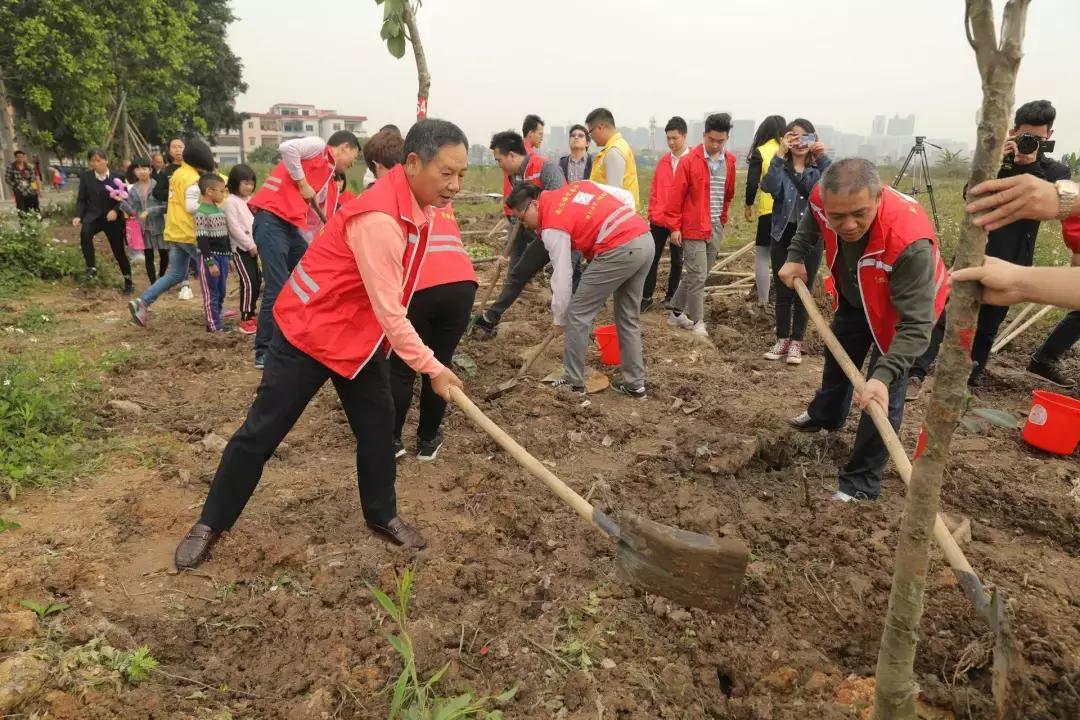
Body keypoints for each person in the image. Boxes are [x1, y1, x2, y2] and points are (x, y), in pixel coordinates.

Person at [172, 119, 470, 569]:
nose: (455, 186)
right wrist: (433, 368)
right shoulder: (380, 219)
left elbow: (387, 302)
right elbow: (392, 313)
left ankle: (382, 514)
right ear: (412, 163)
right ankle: (210, 522)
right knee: (262, 431)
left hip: (356, 339)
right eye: (446, 173)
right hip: (310, 332)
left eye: (462, 174)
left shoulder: (414, 202)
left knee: (377, 427)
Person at [779, 158, 949, 502]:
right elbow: (812, 219)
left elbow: (916, 327)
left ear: (878, 198)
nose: (848, 225)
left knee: (880, 397)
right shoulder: (822, 199)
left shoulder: (908, 241)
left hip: (903, 312)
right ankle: (826, 414)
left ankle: (861, 482)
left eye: (859, 213)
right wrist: (797, 254)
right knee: (839, 355)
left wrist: (882, 376)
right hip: (858, 293)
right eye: (837, 216)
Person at [908, 100, 1071, 395]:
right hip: (976, 249)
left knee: (988, 325)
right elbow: (969, 193)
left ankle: (971, 378)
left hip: (1015, 259)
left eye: (1038, 139)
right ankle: (916, 372)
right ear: (1013, 132)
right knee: (946, 314)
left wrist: (1030, 164)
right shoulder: (995, 161)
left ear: (1049, 137)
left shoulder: (1054, 171)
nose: (1029, 144)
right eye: (1025, 137)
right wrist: (998, 163)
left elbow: (1051, 201)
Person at [506, 180, 654, 398]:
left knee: (578, 313)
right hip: (644, 238)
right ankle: (635, 384)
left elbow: (562, 277)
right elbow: (624, 196)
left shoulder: (551, 225)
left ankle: (573, 383)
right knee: (628, 317)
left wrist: (559, 319)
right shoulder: (577, 186)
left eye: (522, 217)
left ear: (535, 205)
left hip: (618, 248)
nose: (526, 225)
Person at [248, 131, 361, 369]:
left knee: (309, 274)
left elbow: (323, 222)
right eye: (353, 158)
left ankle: (301, 334)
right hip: (271, 221)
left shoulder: (330, 179)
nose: (351, 165)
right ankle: (263, 350)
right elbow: (287, 148)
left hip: (289, 227)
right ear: (345, 148)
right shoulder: (318, 147)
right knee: (277, 287)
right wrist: (301, 183)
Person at [392, 202, 478, 460]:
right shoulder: (442, 199)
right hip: (462, 285)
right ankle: (428, 440)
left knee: (401, 367)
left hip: (418, 286)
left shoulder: (391, 199)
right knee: (439, 364)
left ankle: (391, 440)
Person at [471, 131, 565, 338]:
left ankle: (575, 324)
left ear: (512, 155)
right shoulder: (515, 176)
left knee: (565, 278)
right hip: (533, 231)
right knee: (517, 274)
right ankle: (490, 318)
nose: (499, 165)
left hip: (559, 234)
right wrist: (507, 251)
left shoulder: (545, 168)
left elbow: (561, 204)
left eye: (499, 160)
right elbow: (517, 215)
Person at [760, 119, 831, 365]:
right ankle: (782, 339)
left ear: (813, 140)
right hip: (782, 233)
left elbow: (831, 185)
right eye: (794, 137)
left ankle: (797, 342)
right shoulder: (781, 165)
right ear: (786, 140)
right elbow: (769, 186)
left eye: (806, 137)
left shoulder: (817, 170)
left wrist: (821, 157)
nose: (800, 143)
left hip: (811, 237)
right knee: (783, 291)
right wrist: (779, 156)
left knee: (805, 291)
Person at [127, 139, 217, 326]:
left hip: (174, 231)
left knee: (175, 274)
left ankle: (142, 302)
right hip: (189, 232)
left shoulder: (177, 174)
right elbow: (195, 206)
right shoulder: (193, 179)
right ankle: (216, 310)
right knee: (212, 270)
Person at [663, 113, 736, 337]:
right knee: (697, 275)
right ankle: (697, 321)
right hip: (693, 226)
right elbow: (675, 198)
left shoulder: (730, 162)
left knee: (699, 274)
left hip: (715, 226)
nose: (715, 145)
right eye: (711, 139)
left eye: (720, 141)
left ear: (726, 139)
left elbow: (728, 194)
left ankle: (675, 313)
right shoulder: (689, 161)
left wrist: (722, 220)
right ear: (704, 135)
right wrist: (675, 227)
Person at [640, 117, 690, 312]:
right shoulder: (663, 162)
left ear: (684, 136)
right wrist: (652, 212)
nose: (671, 142)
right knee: (651, 258)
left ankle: (672, 297)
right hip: (660, 218)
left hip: (681, 220)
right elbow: (655, 190)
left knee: (678, 260)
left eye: (675, 138)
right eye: (668, 138)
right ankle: (646, 297)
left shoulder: (693, 161)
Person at [73, 149, 134, 293]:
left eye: (98, 160)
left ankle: (128, 281)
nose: (95, 163)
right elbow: (81, 199)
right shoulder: (86, 177)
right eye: (92, 161)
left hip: (112, 218)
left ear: (106, 161)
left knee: (118, 250)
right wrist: (77, 215)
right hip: (93, 216)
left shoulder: (118, 176)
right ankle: (91, 267)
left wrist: (115, 210)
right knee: (85, 234)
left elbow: (124, 196)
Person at [744, 115, 787, 306]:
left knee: (762, 256)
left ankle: (763, 301)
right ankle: (787, 300)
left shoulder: (760, 151)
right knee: (786, 256)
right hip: (790, 213)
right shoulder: (790, 150)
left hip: (768, 212)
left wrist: (748, 205)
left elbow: (753, 182)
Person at [223, 164, 261, 336]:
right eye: (245, 183)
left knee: (257, 281)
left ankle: (252, 312)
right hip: (241, 249)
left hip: (254, 247)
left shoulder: (250, 200)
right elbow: (234, 227)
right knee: (248, 282)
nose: (249, 187)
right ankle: (246, 318)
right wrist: (249, 245)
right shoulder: (231, 202)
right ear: (235, 182)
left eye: (251, 183)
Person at [120, 157, 168, 283]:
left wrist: (150, 211)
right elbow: (133, 212)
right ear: (135, 172)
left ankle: (162, 277)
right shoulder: (133, 189)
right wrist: (121, 202)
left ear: (150, 170)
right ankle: (153, 283)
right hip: (143, 228)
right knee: (149, 256)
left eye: (145, 168)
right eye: (138, 169)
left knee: (164, 254)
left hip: (158, 226)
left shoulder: (158, 185)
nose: (142, 171)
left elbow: (166, 206)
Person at [193, 174, 231, 332]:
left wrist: (229, 257)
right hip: (211, 258)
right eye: (221, 191)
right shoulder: (201, 213)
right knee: (211, 293)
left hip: (223, 257)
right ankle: (214, 326)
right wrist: (210, 262)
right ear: (209, 191)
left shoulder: (219, 210)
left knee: (221, 291)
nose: (223, 194)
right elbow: (202, 240)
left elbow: (225, 237)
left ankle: (218, 319)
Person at [586, 108, 640, 209]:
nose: (591, 136)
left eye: (591, 131)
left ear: (600, 127)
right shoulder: (620, 145)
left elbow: (614, 196)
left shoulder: (614, 151)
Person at [6, 150, 40, 215]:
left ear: (24, 157)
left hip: (30, 189)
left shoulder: (29, 166)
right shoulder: (11, 167)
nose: (20, 159)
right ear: (15, 157)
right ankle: (24, 223)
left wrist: (36, 189)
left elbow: (33, 179)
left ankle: (36, 221)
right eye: (18, 157)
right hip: (19, 190)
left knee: (34, 207)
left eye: (21, 157)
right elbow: (7, 179)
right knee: (21, 208)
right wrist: (15, 185)